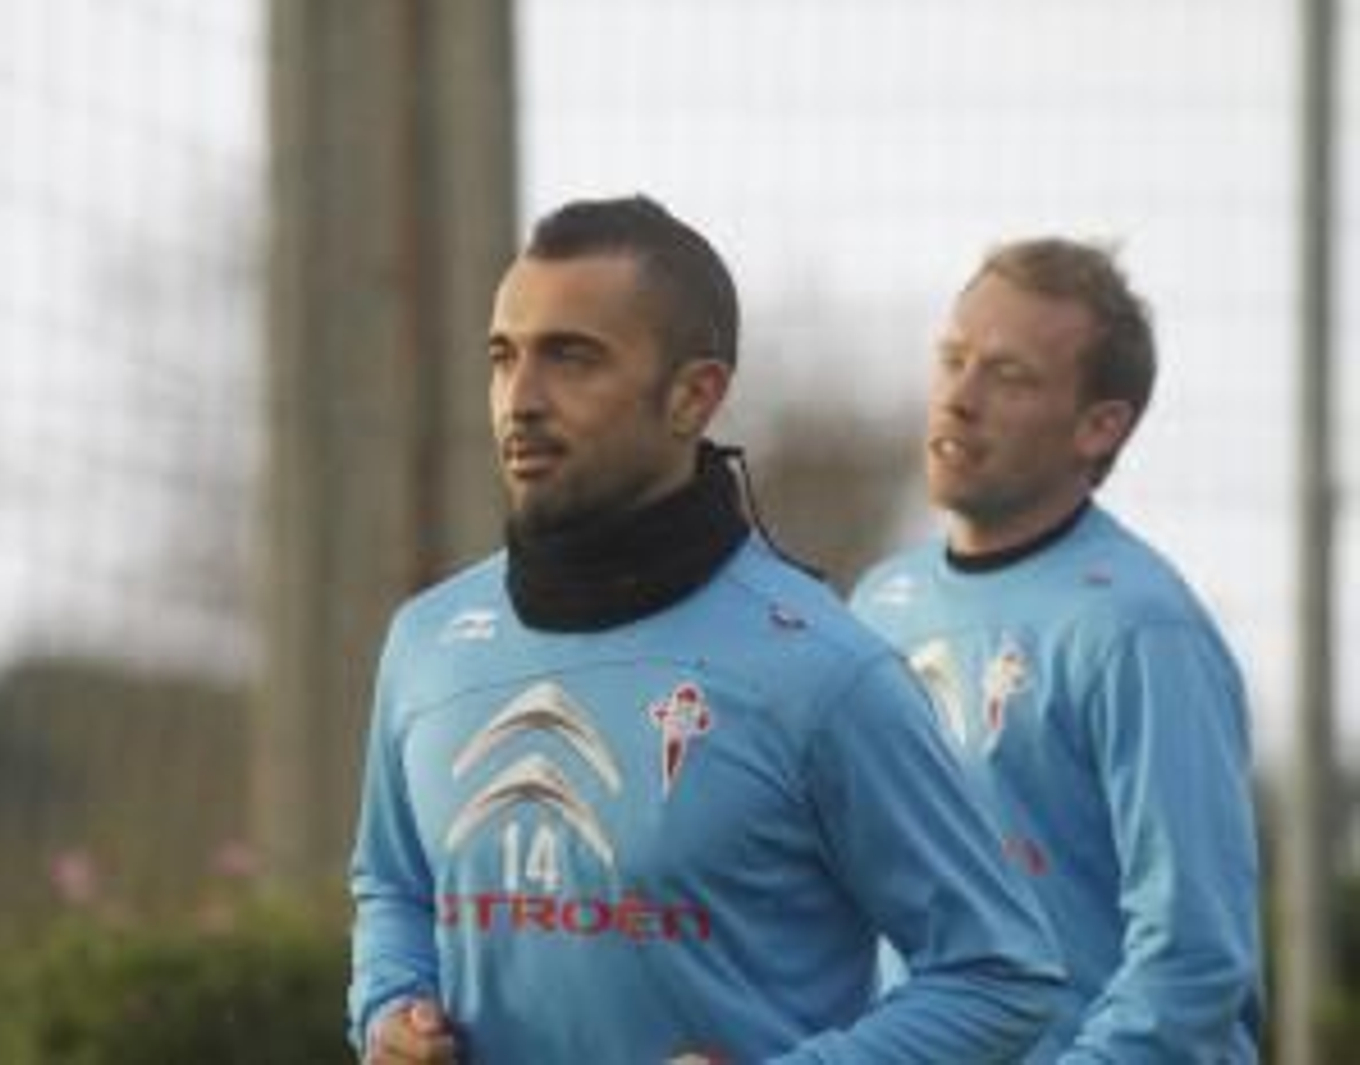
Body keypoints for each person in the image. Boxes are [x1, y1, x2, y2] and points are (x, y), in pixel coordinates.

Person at [348, 194, 1063, 1064]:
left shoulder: (824, 672)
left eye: (572, 359)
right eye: (504, 357)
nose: (521, 399)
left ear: (695, 395)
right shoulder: (426, 641)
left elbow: (1000, 974)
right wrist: (390, 1005)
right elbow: (392, 885)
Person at [851, 237, 1263, 1061]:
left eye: (1009, 375)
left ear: (1098, 425)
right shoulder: (876, 607)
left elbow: (1193, 959)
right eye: (953, 358)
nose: (959, 397)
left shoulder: (1142, 629)